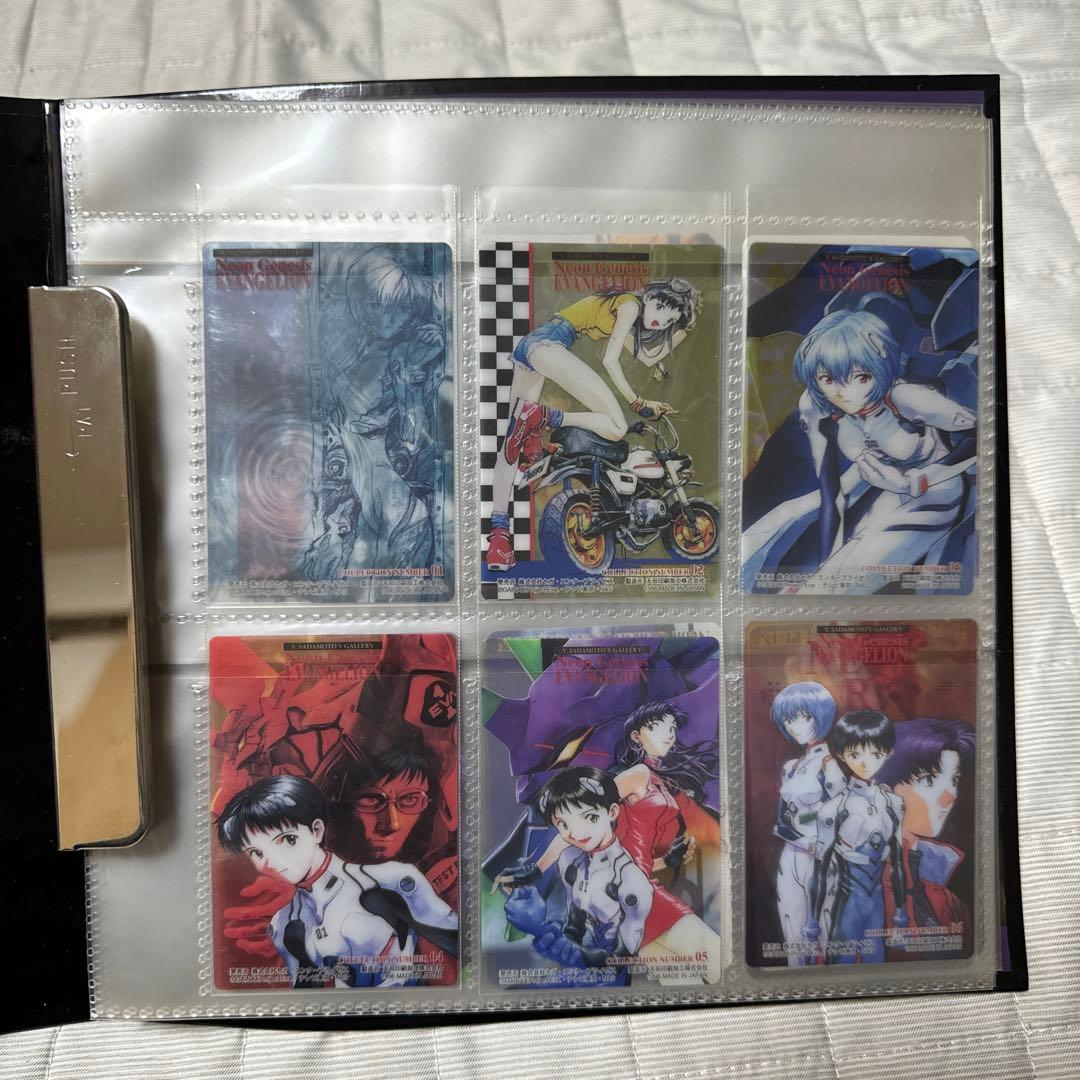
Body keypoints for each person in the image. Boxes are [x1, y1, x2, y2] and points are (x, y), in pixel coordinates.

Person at [741, 308, 976, 594]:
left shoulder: (905, 398)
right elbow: (832, 495)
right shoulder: (818, 408)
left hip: (935, 494)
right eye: (828, 380)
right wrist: (824, 569)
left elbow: (978, 434)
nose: (843, 393)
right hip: (880, 487)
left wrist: (924, 479)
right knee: (786, 518)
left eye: (859, 377)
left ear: (879, 362)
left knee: (855, 568)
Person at [486, 279, 700, 572]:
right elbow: (611, 361)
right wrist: (637, 402)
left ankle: (498, 539)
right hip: (550, 344)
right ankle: (545, 416)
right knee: (616, 426)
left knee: (511, 443)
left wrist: (684, 330)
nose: (660, 320)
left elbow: (646, 357)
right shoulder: (630, 304)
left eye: (669, 320)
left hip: (532, 347)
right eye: (661, 307)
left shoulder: (628, 311)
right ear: (649, 296)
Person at [216, 775, 457, 988]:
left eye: (288, 840)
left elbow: (463, 953)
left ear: (317, 830)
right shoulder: (284, 924)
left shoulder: (389, 880)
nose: (274, 861)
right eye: (257, 853)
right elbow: (306, 999)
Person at [300, 244, 446, 586]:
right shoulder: (356, 351)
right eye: (375, 304)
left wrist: (410, 387)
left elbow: (415, 434)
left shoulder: (408, 355)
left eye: (402, 308)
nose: (388, 319)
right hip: (357, 501)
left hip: (396, 505)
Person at [501, 767, 653, 981]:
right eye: (563, 824)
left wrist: (542, 930)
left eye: (590, 817)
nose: (576, 832)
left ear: (612, 812)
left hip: (609, 982)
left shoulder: (630, 880)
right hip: (572, 969)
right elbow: (574, 922)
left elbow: (618, 962)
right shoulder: (570, 859)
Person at [806, 709, 908, 964]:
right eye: (855, 754)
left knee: (878, 969)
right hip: (846, 910)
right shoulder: (834, 809)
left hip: (877, 913)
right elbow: (819, 871)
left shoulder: (894, 804)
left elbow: (897, 864)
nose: (865, 763)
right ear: (841, 754)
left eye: (876, 754)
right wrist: (812, 923)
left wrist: (900, 915)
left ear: (888, 753)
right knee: (838, 968)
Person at [876, 717, 976, 958]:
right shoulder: (863, 886)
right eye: (929, 780)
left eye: (953, 780)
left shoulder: (949, 890)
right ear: (885, 791)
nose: (950, 795)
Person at [768, 682, 844, 966]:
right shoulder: (790, 767)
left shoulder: (830, 765)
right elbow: (783, 819)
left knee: (824, 933)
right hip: (791, 855)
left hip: (821, 857)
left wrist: (809, 821)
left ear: (819, 715)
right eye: (788, 719)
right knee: (793, 935)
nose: (793, 726)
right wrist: (798, 826)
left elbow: (840, 814)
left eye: (802, 717)